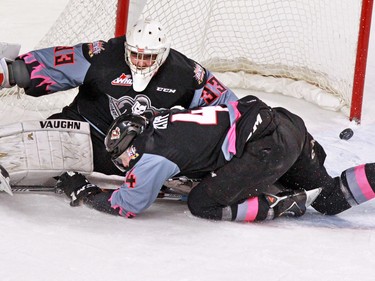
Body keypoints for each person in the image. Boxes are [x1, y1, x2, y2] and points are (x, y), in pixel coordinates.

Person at [56, 95, 375, 222]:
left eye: (124, 156)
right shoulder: (159, 118)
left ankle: (279, 205)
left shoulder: (152, 157)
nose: (124, 163)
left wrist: (84, 193)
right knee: (331, 200)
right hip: (285, 123)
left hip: (268, 145)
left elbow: (126, 205)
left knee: (202, 203)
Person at [0, 17, 237, 176]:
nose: (141, 62)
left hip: (143, 151)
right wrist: (12, 72)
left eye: (148, 58)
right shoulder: (103, 54)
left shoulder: (188, 73)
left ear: (163, 54)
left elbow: (230, 107)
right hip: (86, 132)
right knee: (31, 142)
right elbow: (56, 64)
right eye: (135, 55)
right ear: (126, 48)